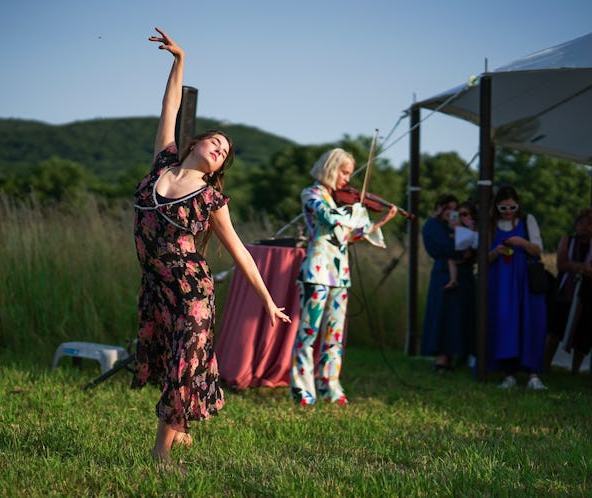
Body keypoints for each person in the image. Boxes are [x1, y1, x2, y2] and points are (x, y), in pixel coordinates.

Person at [134, 28, 291, 462]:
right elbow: (169, 106)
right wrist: (178, 60)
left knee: (186, 362)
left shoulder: (210, 199)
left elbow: (240, 251)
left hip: (192, 292)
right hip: (156, 289)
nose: (219, 150)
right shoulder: (162, 164)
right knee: (176, 364)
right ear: (195, 143)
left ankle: (160, 453)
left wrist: (267, 300)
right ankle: (181, 427)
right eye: (215, 142)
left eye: (224, 153)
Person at [290, 148, 398, 405]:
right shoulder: (312, 194)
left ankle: (330, 387)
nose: (348, 180)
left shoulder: (340, 202)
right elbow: (329, 219)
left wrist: (379, 222)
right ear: (331, 167)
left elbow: (348, 236)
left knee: (334, 335)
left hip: (340, 273)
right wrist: (357, 212)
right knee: (308, 331)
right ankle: (302, 390)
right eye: (345, 172)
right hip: (316, 271)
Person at [487, 185, 548, 390]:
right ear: (496, 208)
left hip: (524, 280)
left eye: (512, 207)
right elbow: (484, 258)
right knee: (504, 323)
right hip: (501, 282)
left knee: (528, 322)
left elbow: (537, 250)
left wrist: (520, 242)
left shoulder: (527, 221)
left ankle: (532, 374)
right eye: (503, 208)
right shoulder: (491, 225)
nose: (508, 212)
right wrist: (498, 250)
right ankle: (508, 373)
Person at [543, 208, 592, 374]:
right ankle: (545, 365)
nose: (586, 228)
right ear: (576, 224)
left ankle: (575, 370)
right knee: (554, 330)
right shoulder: (567, 241)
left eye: (590, 224)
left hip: (587, 294)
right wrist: (579, 267)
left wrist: (589, 270)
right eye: (582, 223)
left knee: (584, 333)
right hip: (565, 291)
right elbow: (561, 264)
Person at [421, 195, 477, 372]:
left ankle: (461, 354)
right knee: (444, 316)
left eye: (454, 209)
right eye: (448, 208)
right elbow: (441, 248)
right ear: (440, 208)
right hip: (443, 275)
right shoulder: (432, 226)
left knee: (461, 316)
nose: (451, 213)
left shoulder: (459, 224)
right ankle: (442, 358)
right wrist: (461, 252)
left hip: (464, 275)